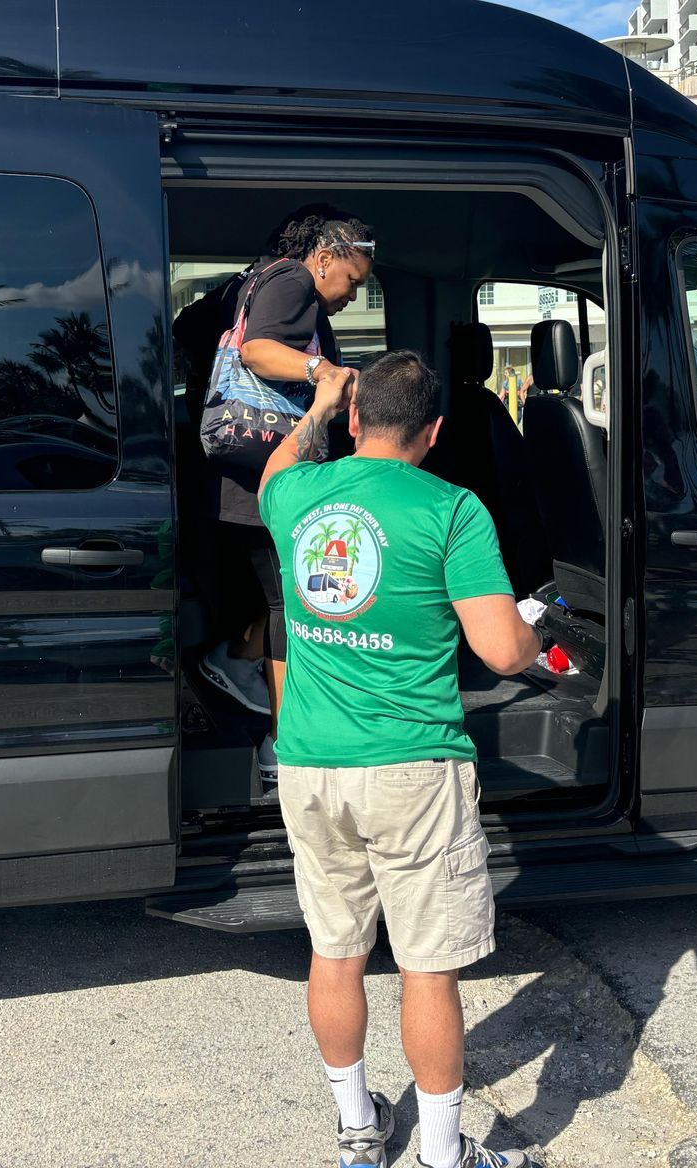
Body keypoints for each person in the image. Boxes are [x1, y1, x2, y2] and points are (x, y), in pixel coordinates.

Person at [258, 352, 540, 1168]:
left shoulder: (298, 494)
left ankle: (357, 1133)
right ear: (436, 431)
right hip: (413, 769)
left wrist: (319, 399)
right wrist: (533, 636)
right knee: (427, 968)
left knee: (335, 953)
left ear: (354, 419)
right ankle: (444, 1156)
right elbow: (498, 648)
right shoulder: (452, 509)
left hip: (311, 764)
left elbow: (280, 459)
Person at [198, 207, 377, 783]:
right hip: (268, 479)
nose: (352, 295)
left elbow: (194, 330)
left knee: (284, 599)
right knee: (292, 608)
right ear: (325, 258)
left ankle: (228, 659)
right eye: (352, 280)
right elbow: (257, 352)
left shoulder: (251, 280)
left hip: (246, 478)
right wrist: (325, 372)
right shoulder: (293, 279)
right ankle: (283, 745)